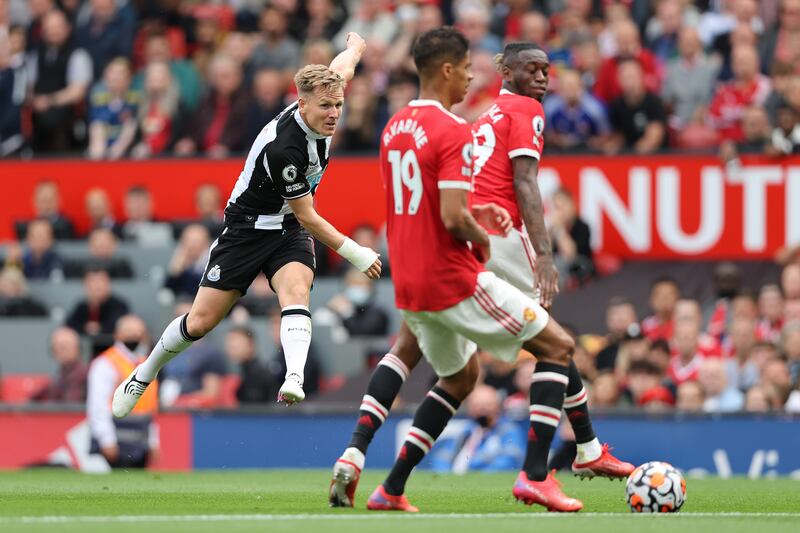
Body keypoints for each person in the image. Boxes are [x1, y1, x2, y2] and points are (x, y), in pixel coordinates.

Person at [335, 31, 629, 514]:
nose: (541, 77)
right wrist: (543, 252)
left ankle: (379, 474)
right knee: (554, 344)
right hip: (493, 241)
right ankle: (559, 463)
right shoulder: (515, 114)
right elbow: (525, 182)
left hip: (422, 265)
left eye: (546, 70)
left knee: (443, 366)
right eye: (531, 69)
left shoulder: (414, 124)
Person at [112, 33, 381, 417]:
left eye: (338, 105)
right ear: (302, 104)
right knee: (201, 321)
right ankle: (145, 372)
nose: (335, 114)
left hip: (287, 229)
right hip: (247, 229)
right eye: (326, 107)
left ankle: (294, 378)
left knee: (296, 290)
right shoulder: (284, 148)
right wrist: (356, 253)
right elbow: (308, 215)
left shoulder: (325, 98)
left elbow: (342, 70)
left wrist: (355, 48)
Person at [87, 314, 158, 468]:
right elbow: (98, 405)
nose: (134, 336)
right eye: (129, 332)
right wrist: (107, 440)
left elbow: (149, 407)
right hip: (116, 439)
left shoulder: (146, 363)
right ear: (117, 334)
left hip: (140, 440)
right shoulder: (105, 364)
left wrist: (152, 440)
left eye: (139, 332)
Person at [429, 383, 526, 473]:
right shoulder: (465, 432)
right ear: (470, 409)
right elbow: (441, 458)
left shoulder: (509, 430)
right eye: (477, 406)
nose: (482, 410)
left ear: (498, 407)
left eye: (487, 405)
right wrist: (448, 475)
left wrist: (469, 472)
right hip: (459, 481)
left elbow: (509, 461)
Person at [65, 267, 130, 338]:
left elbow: (118, 326)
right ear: (85, 285)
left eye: (101, 281)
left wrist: (100, 329)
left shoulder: (119, 306)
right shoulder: (81, 306)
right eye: (92, 281)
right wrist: (85, 328)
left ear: (108, 283)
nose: (96, 285)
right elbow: (69, 326)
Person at [225, 324, 279, 404]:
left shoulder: (260, 375)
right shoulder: (245, 372)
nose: (230, 345)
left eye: (235, 340)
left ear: (250, 345)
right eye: (229, 341)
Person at [32, 327, 88, 402]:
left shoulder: (81, 374)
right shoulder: (62, 373)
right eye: (59, 346)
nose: (63, 351)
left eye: (66, 346)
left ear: (77, 348)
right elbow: (41, 394)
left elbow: (70, 405)